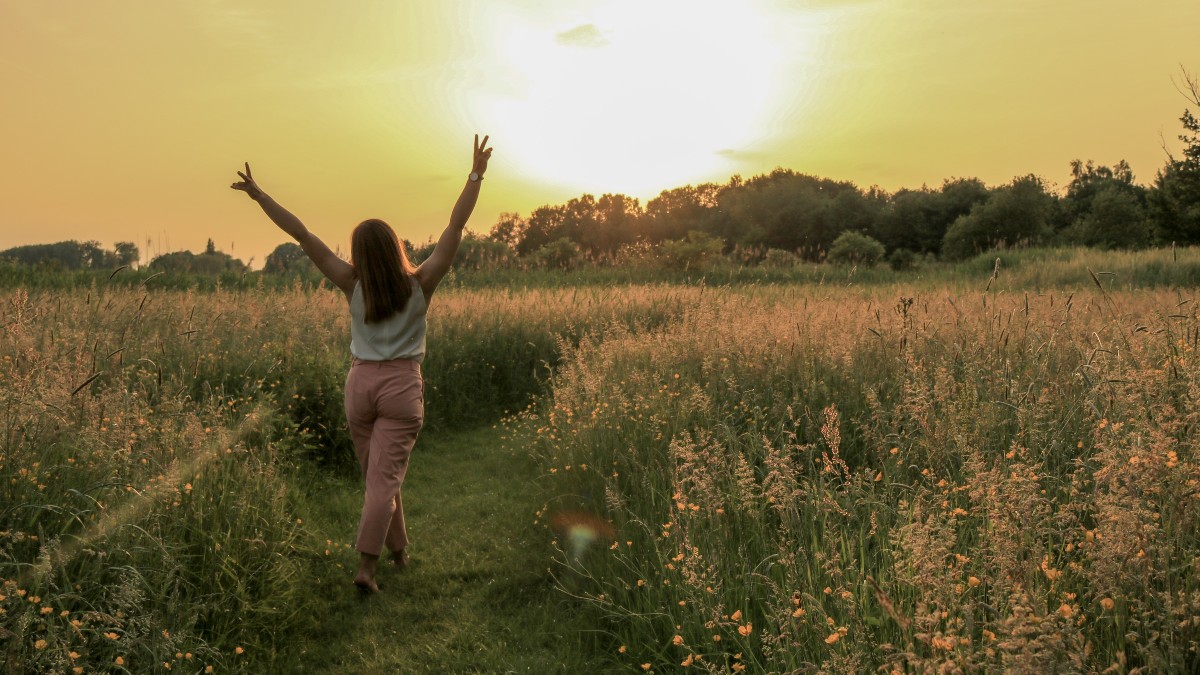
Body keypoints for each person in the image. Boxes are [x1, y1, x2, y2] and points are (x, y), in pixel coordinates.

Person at [231, 134, 493, 593]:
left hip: (359, 389)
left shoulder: (349, 282)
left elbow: (302, 234)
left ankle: (400, 552)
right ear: (394, 247)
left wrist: (260, 196)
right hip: (400, 390)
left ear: (359, 251)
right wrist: (475, 175)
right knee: (382, 482)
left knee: (380, 479)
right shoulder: (422, 283)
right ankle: (367, 569)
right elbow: (455, 227)